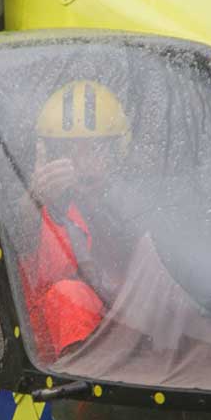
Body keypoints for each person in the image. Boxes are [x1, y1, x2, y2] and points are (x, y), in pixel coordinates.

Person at [18, 79, 133, 360]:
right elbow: (16, 236)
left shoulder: (128, 206)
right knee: (70, 296)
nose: (80, 163)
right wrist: (34, 199)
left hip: (123, 343)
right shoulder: (32, 207)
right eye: (68, 151)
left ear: (117, 153)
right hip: (43, 362)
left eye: (94, 149)